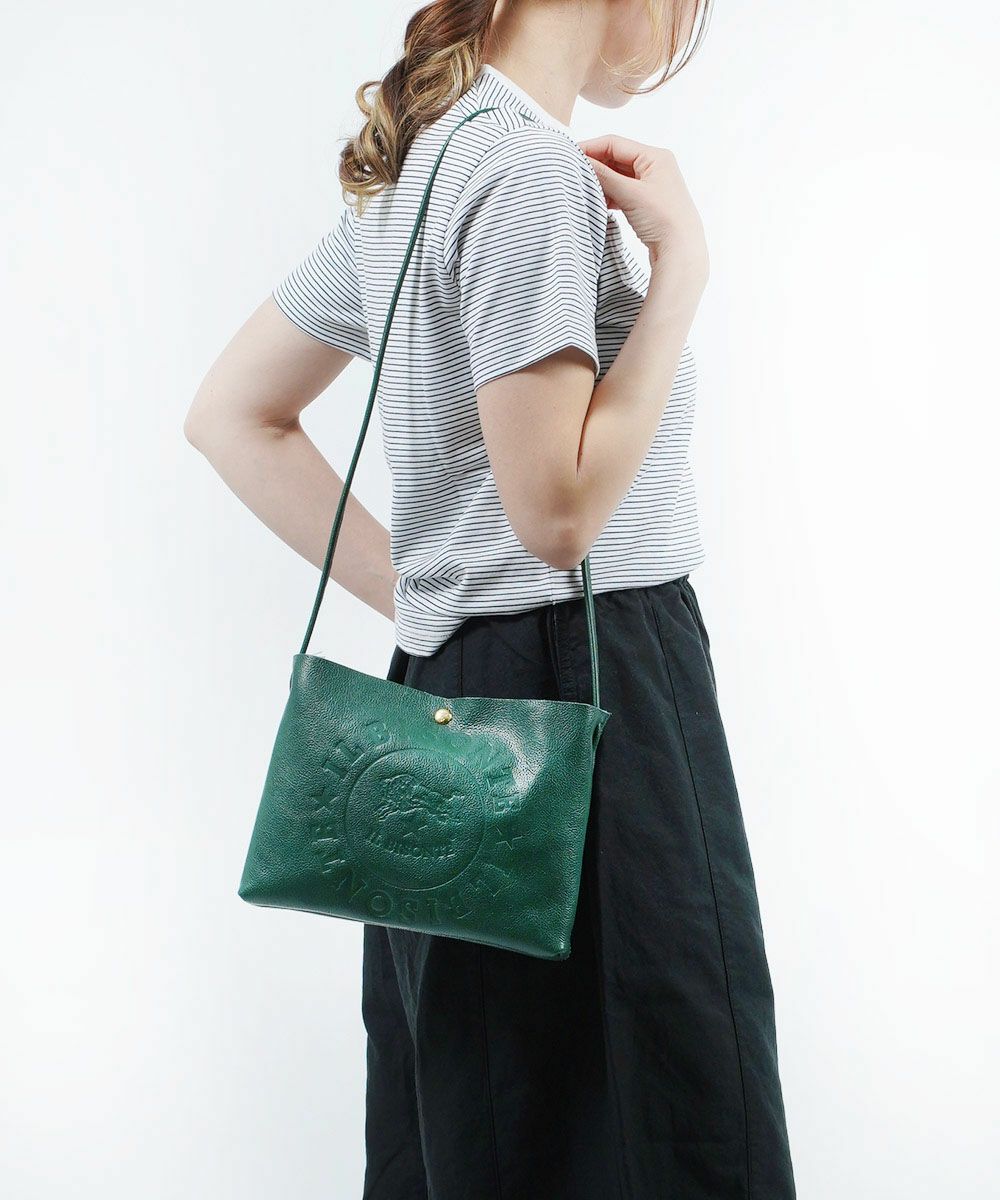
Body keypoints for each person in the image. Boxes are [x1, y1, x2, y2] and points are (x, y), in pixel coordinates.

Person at [184, 1, 797, 1195]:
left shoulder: (419, 168)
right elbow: (557, 513)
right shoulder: (525, 172)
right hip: (598, 692)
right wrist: (680, 272)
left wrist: (429, 594)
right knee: (665, 1105)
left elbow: (230, 415)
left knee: (491, 1116)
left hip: (445, 706)